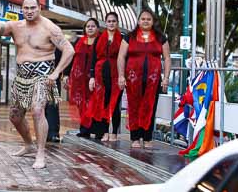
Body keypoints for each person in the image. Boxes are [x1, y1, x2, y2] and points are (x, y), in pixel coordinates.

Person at [0, 0, 74, 169]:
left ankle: (41, 154)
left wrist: (56, 73)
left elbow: (69, 50)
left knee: (38, 110)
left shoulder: (50, 28)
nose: (29, 11)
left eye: (33, 8)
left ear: (39, 8)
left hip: (43, 74)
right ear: (21, 9)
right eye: (26, 8)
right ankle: (29, 145)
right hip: (22, 75)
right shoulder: (15, 26)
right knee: (15, 117)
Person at [117, 10, 171, 148]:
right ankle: (135, 137)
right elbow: (121, 57)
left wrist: (166, 78)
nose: (145, 21)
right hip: (133, 78)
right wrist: (121, 75)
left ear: (153, 21)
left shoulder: (161, 37)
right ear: (138, 20)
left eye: (148, 19)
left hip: (153, 80)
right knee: (134, 106)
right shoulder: (129, 37)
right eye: (143, 19)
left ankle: (147, 138)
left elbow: (167, 58)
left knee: (150, 107)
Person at [87, 12, 123, 142]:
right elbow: (93, 58)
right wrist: (92, 77)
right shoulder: (99, 38)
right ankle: (104, 131)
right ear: (105, 23)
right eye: (109, 21)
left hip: (116, 74)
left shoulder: (122, 38)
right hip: (100, 74)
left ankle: (114, 132)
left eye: (114, 21)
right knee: (102, 103)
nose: (111, 23)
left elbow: (125, 57)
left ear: (117, 23)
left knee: (115, 104)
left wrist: (124, 76)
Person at [65, 18, 99, 139]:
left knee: (93, 104)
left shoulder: (100, 42)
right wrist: (66, 74)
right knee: (81, 104)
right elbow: (70, 58)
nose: (90, 28)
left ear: (97, 28)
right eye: (88, 26)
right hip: (78, 80)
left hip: (94, 79)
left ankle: (95, 129)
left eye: (93, 26)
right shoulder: (78, 41)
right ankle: (84, 129)